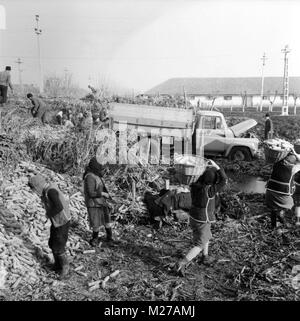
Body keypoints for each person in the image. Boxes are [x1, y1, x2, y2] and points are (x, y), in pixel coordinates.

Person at [175, 160, 227, 276]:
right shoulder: (210, 190)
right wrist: (217, 167)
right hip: (203, 219)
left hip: (194, 217)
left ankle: (205, 256)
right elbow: (224, 180)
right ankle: (181, 263)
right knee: (199, 244)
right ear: (213, 180)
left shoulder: (194, 186)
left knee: (206, 236)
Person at [28, 174, 71, 279]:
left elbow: (59, 207)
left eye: (34, 188)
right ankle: (57, 265)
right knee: (52, 243)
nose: (35, 191)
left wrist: (48, 214)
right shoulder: (47, 190)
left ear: (38, 185)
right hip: (57, 222)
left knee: (58, 246)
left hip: (62, 222)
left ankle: (65, 269)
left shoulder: (51, 191)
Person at [265, 149, 300, 229]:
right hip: (283, 194)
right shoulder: (294, 168)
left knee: (273, 209)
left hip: (270, 192)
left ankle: (273, 226)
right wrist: (294, 152)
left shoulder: (276, 163)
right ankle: (284, 223)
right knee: (287, 207)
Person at [83, 157, 113, 246]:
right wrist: (103, 194)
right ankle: (94, 239)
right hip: (94, 203)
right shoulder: (89, 177)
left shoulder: (96, 175)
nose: (102, 168)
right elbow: (91, 193)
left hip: (101, 202)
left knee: (107, 221)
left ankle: (109, 238)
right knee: (96, 223)